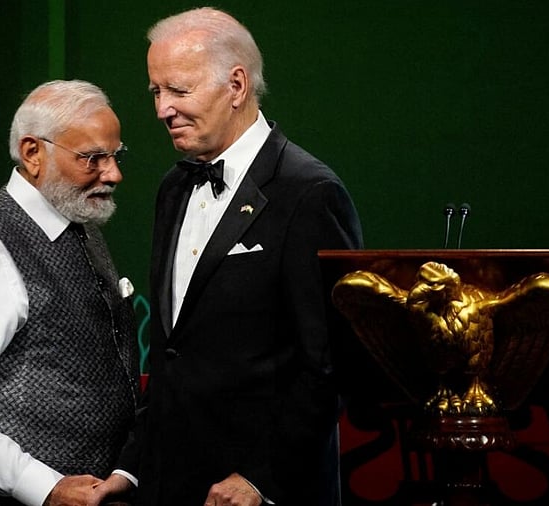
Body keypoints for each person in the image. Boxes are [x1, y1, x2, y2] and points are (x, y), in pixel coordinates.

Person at [95, 7, 363, 506]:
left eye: (178, 90)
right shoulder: (174, 188)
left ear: (236, 86)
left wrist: (262, 477)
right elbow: (174, 354)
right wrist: (131, 468)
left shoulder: (310, 192)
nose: (161, 110)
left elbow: (330, 364)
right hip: (169, 486)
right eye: (156, 92)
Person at [0, 79, 139, 506]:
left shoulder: (80, 220)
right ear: (33, 153)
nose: (113, 174)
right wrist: (45, 486)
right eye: (92, 158)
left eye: (115, 155)